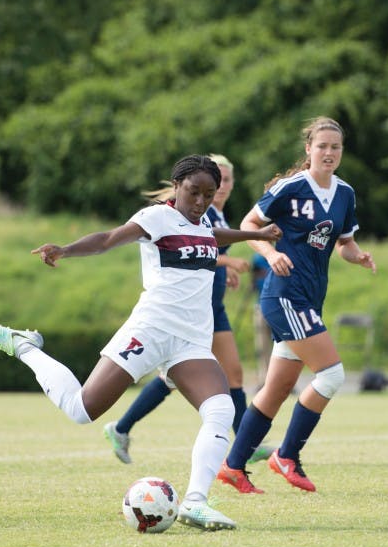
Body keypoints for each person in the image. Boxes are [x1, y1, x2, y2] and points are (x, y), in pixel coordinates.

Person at [0, 155, 281, 531]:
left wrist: (257, 236)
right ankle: (25, 346)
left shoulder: (204, 227)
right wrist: (65, 249)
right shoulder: (155, 218)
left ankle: (196, 503)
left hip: (190, 342)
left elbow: (214, 237)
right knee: (81, 409)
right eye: (193, 192)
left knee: (220, 411)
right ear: (176, 187)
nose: (201, 201)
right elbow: (106, 240)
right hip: (149, 331)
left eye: (208, 194)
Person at [215, 116, 376, 494]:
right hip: (284, 295)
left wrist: (359, 256)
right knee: (332, 375)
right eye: (322, 146)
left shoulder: (345, 194)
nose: (329, 153)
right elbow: (249, 223)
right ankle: (287, 455)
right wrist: (269, 254)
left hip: (309, 299)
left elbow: (344, 243)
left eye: (335, 147)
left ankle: (233, 466)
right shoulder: (292, 187)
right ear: (308, 149)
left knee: (275, 389)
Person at [102, 154, 274, 465]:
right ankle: (123, 427)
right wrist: (228, 261)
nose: (218, 189)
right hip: (189, 309)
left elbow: (205, 245)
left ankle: (244, 446)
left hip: (212, 306)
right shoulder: (183, 214)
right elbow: (187, 249)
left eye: (226, 180)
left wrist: (227, 265)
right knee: (176, 377)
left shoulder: (212, 216)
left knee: (228, 372)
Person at [250, 252, 274, 385]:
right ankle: (264, 380)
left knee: (283, 345)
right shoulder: (257, 258)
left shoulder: (281, 253)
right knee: (262, 345)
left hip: (279, 305)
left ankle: (283, 380)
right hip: (261, 305)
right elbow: (253, 280)